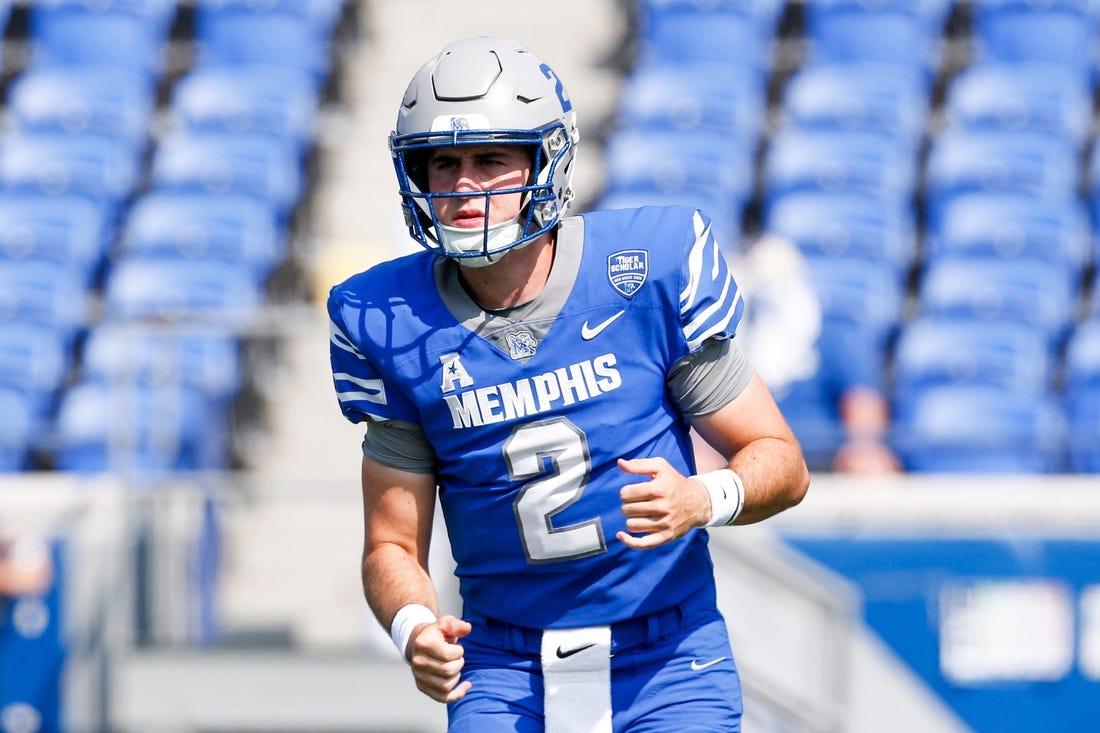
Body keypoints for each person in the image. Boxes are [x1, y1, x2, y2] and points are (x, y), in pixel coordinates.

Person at [327, 36, 809, 732]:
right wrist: (412, 626)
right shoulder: (389, 321)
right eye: (444, 162)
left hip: (666, 655)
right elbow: (391, 545)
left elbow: (781, 461)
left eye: (491, 158)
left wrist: (702, 497)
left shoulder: (643, 274)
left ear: (546, 160)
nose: (463, 186)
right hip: (502, 666)